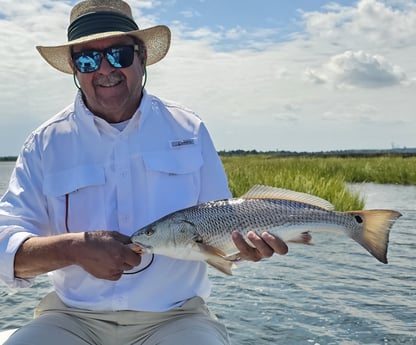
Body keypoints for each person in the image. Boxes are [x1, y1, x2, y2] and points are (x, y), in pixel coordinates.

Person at [0, 0, 289, 344]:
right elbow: (5, 243)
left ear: (142, 57)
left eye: (119, 54)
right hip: (72, 318)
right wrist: (73, 249)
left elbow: (222, 227)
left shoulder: (189, 128)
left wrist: (247, 249)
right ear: (75, 69)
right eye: (88, 58)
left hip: (176, 317)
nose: (104, 69)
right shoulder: (44, 143)